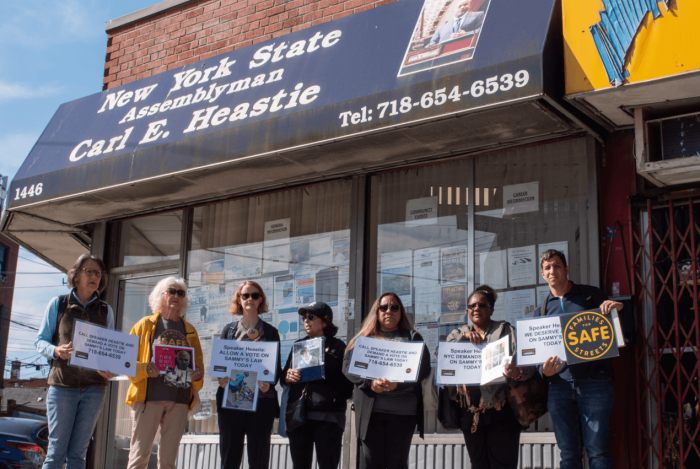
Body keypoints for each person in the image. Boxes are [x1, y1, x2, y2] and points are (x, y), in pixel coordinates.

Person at [536, 249, 623, 469]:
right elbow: (538, 357)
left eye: (556, 266)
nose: (552, 270)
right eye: (547, 267)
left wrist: (618, 309)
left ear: (566, 269)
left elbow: (620, 331)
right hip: (559, 387)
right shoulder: (541, 311)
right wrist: (543, 371)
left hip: (595, 384)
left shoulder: (591, 295)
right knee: (568, 455)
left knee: (598, 452)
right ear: (542, 274)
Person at [35, 254, 114, 469]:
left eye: (98, 273)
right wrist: (55, 350)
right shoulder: (59, 304)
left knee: (79, 454)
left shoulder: (106, 310)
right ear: (76, 274)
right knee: (56, 452)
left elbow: (111, 351)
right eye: (89, 271)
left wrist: (110, 369)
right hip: (62, 387)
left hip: (94, 389)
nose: (94, 276)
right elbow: (40, 341)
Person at [446, 285, 533, 469]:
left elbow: (529, 366)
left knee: (503, 465)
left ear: (491, 309)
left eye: (482, 305)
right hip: (470, 414)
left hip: (501, 413)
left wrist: (515, 371)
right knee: (478, 465)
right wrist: (464, 337)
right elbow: (443, 359)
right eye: (472, 306)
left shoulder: (505, 331)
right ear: (467, 311)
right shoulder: (457, 334)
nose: (476, 308)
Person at [343, 293, 432, 469]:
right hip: (371, 415)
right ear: (376, 312)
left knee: (397, 464)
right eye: (383, 307)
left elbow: (423, 369)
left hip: (403, 415)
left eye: (394, 307)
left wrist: (398, 384)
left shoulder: (413, 338)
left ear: (401, 312)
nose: (388, 310)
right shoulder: (364, 339)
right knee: (370, 463)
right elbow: (347, 366)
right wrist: (370, 384)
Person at [126, 277, 204, 469]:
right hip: (148, 399)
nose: (176, 296)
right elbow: (125, 362)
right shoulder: (143, 325)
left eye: (181, 293)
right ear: (160, 295)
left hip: (179, 401)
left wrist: (197, 376)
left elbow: (199, 369)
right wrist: (145, 369)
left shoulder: (190, 331)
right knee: (139, 457)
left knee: (168, 462)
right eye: (172, 291)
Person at [217, 281, 282, 469]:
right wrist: (222, 379)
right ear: (239, 299)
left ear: (260, 299)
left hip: (261, 403)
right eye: (245, 295)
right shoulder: (229, 331)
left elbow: (275, 370)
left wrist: (269, 382)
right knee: (230, 459)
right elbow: (222, 366)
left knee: (259, 460)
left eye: (254, 295)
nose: (250, 299)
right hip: (232, 402)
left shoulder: (270, 332)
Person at [282, 302, 354, 469]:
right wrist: (287, 376)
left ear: (325, 321)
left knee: (328, 465)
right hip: (299, 417)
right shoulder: (298, 345)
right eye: (304, 318)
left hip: (328, 418)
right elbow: (283, 377)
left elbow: (349, 381)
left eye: (311, 317)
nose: (306, 321)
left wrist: (334, 397)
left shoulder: (339, 347)